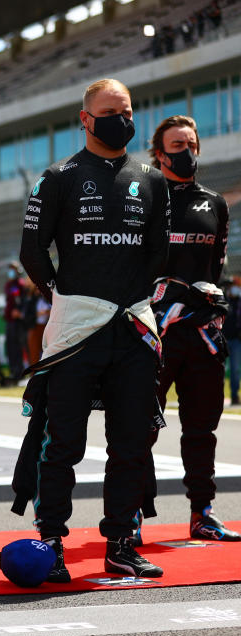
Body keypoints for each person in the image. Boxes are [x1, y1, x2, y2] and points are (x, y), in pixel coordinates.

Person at [19, 78, 171, 581]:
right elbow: (32, 251)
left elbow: (158, 252)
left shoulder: (151, 178)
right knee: (62, 441)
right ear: (85, 119)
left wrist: (130, 293)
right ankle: (51, 540)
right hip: (77, 326)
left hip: (132, 324)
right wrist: (63, 295)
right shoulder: (58, 176)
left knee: (131, 440)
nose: (120, 119)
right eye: (109, 111)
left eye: (126, 111)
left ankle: (121, 542)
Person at [146, 115, 237, 541]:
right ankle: (130, 518)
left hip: (201, 331)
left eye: (191, 143)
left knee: (202, 428)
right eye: (177, 145)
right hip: (153, 332)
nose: (187, 151)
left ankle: (202, 513)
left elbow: (216, 267)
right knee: (140, 426)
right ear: (159, 153)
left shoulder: (214, 203)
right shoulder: (143, 195)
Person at [3, 262, 28, 381]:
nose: (10, 272)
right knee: (10, 347)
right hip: (9, 320)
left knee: (19, 347)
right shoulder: (8, 285)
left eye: (13, 269)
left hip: (19, 322)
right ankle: (13, 372)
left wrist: (20, 312)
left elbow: (25, 301)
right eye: (9, 269)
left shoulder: (21, 284)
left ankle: (20, 373)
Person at [226, 275, 241, 406]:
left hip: (236, 340)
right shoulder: (223, 299)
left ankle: (234, 395)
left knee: (235, 369)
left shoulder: (239, 301)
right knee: (217, 370)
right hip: (222, 339)